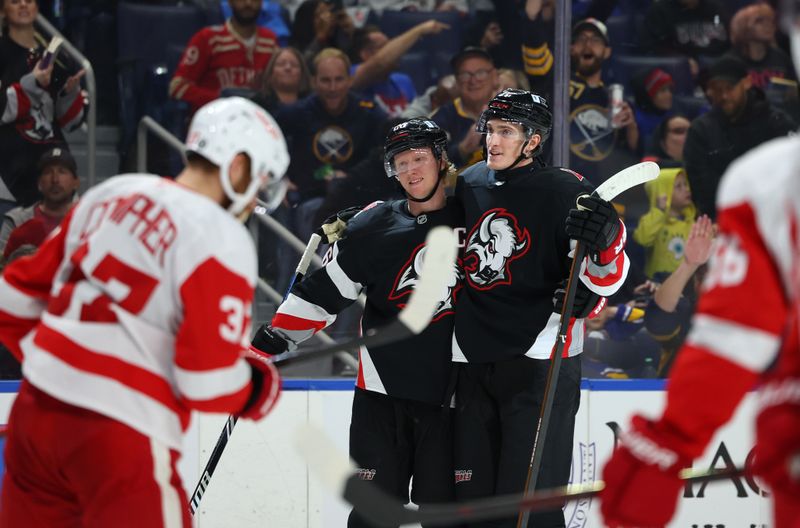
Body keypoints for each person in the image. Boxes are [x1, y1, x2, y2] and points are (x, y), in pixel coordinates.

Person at [0, 97, 288, 527]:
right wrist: (254, 388)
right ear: (237, 166)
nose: (252, 202)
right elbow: (205, 382)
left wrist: (63, 372)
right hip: (119, 438)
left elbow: (12, 299)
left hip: (35, 416)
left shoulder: (112, 193)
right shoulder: (221, 236)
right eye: (259, 180)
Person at [250, 118, 463, 528]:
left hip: (452, 400)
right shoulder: (374, 225)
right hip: (381, 398)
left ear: (440, 160)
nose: (411, 172)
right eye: (401, 164)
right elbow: (325, 292)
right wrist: (271, 342)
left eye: (419, 159)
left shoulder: (473, 220)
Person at [452, 88, 630, 527]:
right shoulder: (469, 182)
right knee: (474, 503)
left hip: (541, 361)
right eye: (490, 130)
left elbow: (609, 272)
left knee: (532, 506)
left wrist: (599, 266)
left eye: (506, 132)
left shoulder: (565, 190)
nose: (493, 141)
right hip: (475, 361)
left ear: (532, 141)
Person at [684, 54, 796, 219]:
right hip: (722, 221)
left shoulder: (777, 123)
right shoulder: (700, 130)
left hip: (773, 218)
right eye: (717, 90)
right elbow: (701, 188)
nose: (724, 96)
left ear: (747, 83)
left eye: (729, 88)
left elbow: (789, 178)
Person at [0, 0, 86, 215]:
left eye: (29, 1)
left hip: (53, 166)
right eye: (14, 1)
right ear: (2, 11)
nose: (23, 5)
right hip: (9, 175)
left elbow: (71, 122)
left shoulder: (57, 55)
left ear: (37, 8)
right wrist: (32, 84)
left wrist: (69, 94)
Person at [168, 0, 278, 113]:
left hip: (256, 120)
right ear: (230, 2)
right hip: (213, 119)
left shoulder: (270, 41)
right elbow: (177, 87)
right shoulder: (207, 38)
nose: (248, 3)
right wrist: (219, 100)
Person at [643, 214, 713, 377]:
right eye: (702, 276)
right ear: (696, 282)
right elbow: (659, 317)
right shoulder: (686, 311)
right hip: (679, 392)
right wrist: (690, 264)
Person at [348, 20, 450, 117]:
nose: (397, 52)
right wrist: (419, 30)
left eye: (391, 44)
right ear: (366, 54)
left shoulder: (403, 80)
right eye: (385, 47)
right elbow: (380, 62)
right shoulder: (351, 75)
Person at [0, 146, 80, 256]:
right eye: (48, 172)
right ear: (39, 183)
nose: (55, 180)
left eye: (62, 172)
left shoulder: (91, 220)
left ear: (76, 182)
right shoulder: (17, 221)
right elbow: (2, 266)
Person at [430, 46, 498, 170]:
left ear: (494, 76)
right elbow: (429, 163)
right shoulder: (440, 118)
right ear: (456, 80)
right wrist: (461, 150)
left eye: (480, 73)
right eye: (465, 75)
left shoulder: (511, 113)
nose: (473, 80)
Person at [633, 167, 696, 280]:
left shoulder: (692, 223)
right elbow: (642, 239)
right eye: (678, 186)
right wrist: (659, 211)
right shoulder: (653, 222)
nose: (687, 189)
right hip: (657, 285)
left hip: (687, 286)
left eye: (685, 184)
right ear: (663, 193)